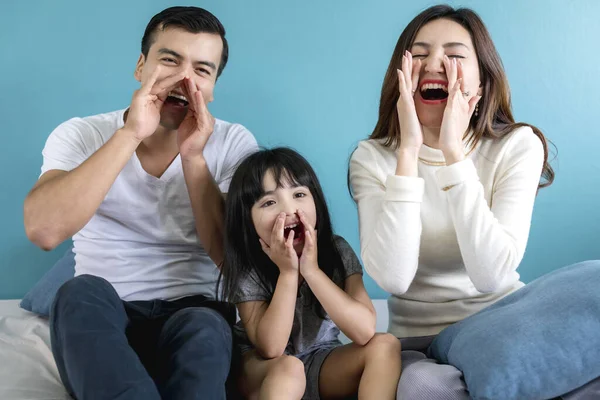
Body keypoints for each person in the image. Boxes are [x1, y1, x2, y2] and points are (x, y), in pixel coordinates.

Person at [23, 6, 257, 400]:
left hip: (194, 311)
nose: (184, 78)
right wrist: (130, 135)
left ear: (214, 87)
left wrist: (194, 158)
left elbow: (232, 260)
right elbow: (45, 231)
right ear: (140, 66)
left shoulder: (234, 144)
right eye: (169, 60)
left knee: (206, 326)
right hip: (104, 311)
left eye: (202, 70)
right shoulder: (81, 134)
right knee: (77, 293)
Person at [350, 4, 566, 399]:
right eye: (418, 54)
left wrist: (453, 152)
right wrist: (409, 152)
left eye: (453, 55)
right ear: (400, 75)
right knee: (420, 386)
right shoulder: (371, 158)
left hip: (501, 321)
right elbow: (394, 277)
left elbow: (492, 275)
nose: (434, 64)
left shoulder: (518, 146)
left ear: (481, 83)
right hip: (418, 340)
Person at [220, 148, 401, 400]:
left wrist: (311, 270)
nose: (289, 209)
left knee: (385, 344)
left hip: (320, 360)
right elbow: (271, 348)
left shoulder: (337, 250)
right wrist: (288, 272)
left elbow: (364, 331)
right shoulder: (249, 264)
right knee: (289, 368)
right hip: (263, 369)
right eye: (269, 202)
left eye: (299, 194)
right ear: (248, 220)